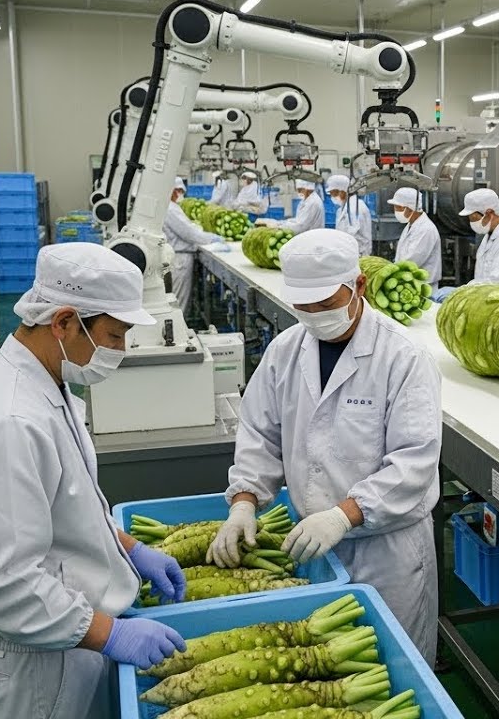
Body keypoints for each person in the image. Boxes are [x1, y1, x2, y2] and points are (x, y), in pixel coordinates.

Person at [0, 244, 188, 717]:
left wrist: (129, 547)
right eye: (114, 335)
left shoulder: (52, 382)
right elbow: (2, 585)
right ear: (65, 321)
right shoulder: (9, 421)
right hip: (32, 672)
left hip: (70, 642)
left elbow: (68, 504)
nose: (121, 350)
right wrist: (113, 634)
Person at [208, 229, 442, 664]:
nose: (314, 315)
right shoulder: (285, 351)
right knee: (325, 671)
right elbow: (260, 434)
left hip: (385, 552)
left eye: (326, 303)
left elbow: (415, 462)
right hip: (310, 542)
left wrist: (344, 515)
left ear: (359, 286)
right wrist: (244, 501)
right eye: (304, 305)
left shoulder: (404, 357)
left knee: (390, 667)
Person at [432, 188, 499, 301]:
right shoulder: (488, 236)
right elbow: (483, 278)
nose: (471, 222)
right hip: (489, 303)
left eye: (473, 218)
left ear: (489, 213)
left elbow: (496, 283)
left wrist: (460, 292)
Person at [165, 176, 227, 315]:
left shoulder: (172, 207)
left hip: (179, 257)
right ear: (171, 190)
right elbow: (190, 234)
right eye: (178, 191)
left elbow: (188, 228)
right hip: (180, 259)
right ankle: (177, 332)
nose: (180, 194)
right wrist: (212, 238)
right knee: (179, 301)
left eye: (181, 191)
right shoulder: (170, 209)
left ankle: (178, 329)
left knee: (179, 299)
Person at [388, 187, 442, 287]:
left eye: (397, 207)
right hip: (409, 282)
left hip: (423, 286)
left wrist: (388, 272)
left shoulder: (426, 229)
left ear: (408, 208)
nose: (395, 211)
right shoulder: (410, 225)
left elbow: (412, 261)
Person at [327, 174, 373, 257]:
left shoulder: (355, 208)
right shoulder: (342, 209)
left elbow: (351, 237)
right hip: (348, 254)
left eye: (333, 193)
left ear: (342, 191)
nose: (332, 197)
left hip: (357, 255)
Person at [258, 179, 324, 235]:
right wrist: (279, 222)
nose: (298, 192)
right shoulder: (307, 200)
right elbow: (298, 220)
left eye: (300, 190)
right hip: (308, 235)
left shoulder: (313, 202)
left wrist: (279, 227)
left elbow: (300, 226)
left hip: (311, 237)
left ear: (307, 189)